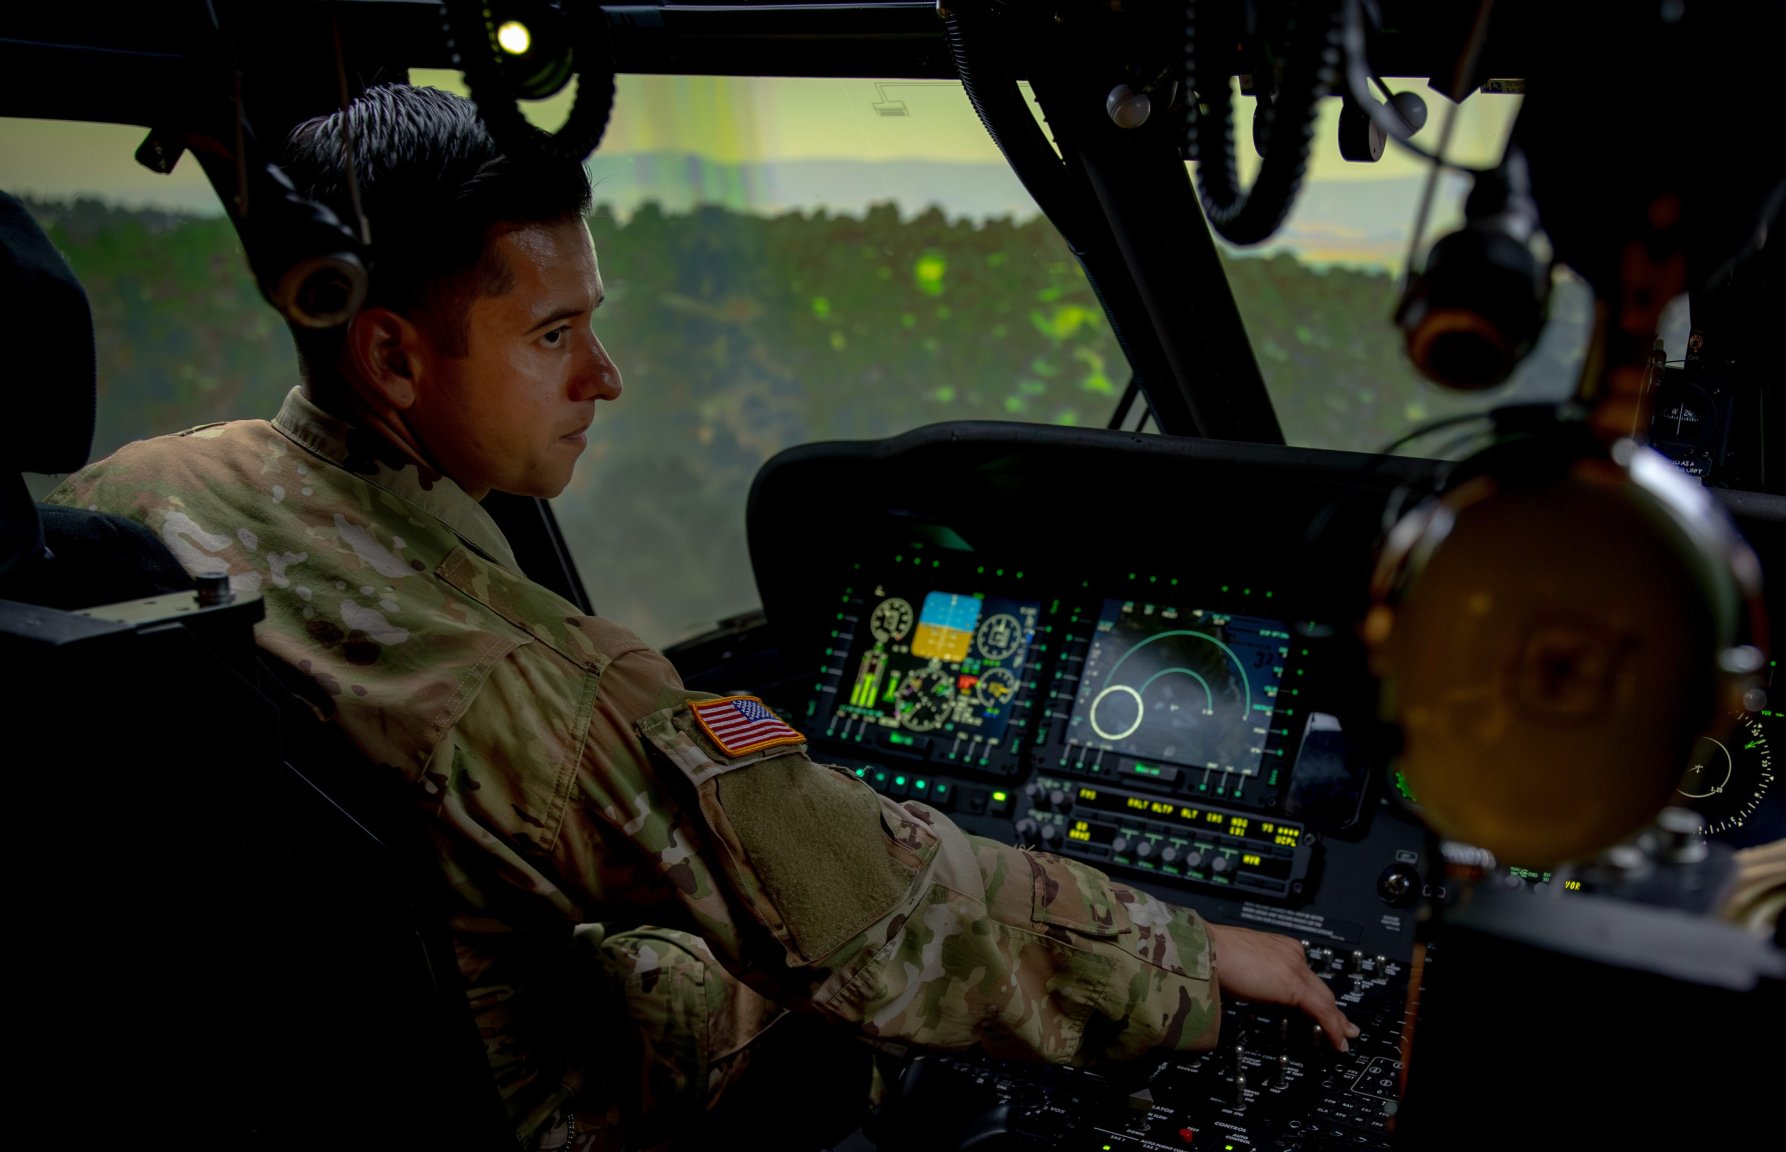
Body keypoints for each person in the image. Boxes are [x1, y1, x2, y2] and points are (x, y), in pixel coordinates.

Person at [46, 83, 1352, 1149]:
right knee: (849, 999)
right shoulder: (538, 688)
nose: (603, 377)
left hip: (256, 1067)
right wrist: (1180, 958)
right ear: (390, 355)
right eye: (555, 335)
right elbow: (880, 914)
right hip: (529, 1099)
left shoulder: (124, 502)